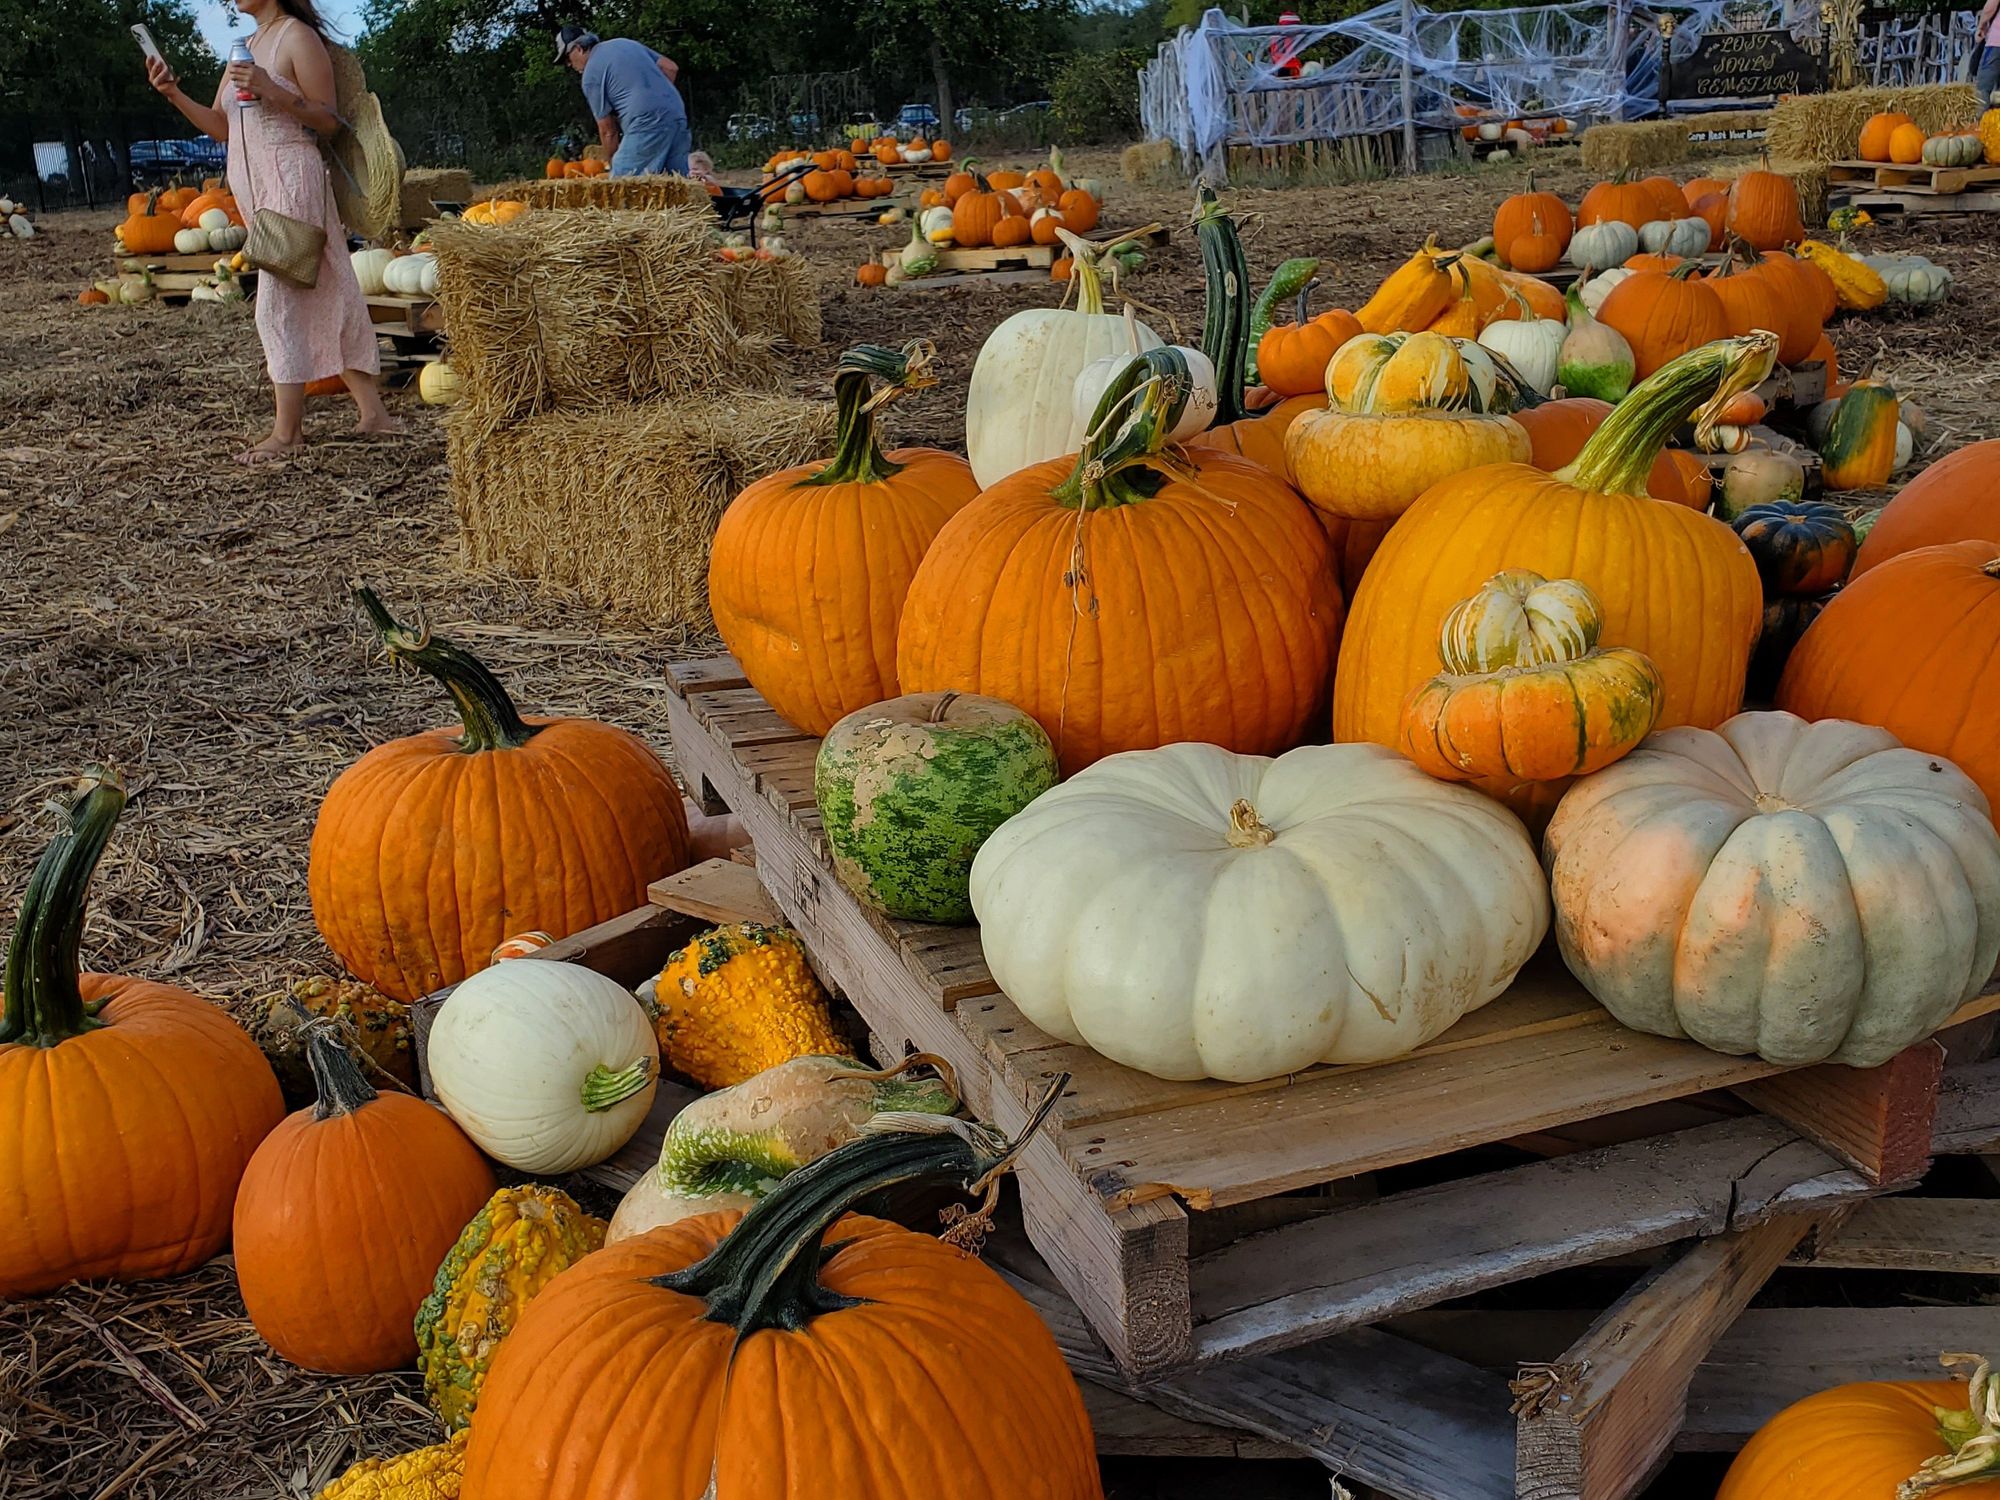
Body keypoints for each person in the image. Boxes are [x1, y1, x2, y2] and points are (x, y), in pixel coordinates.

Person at [147, 0, 391, 464]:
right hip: (256, 185)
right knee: (328, 288)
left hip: (291, 177)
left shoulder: (296, 36)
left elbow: (328, 120)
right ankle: (374, 413)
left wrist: (270, 88)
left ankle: (288, 432)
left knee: (277, 302)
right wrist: (173, 93)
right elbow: (222, 127)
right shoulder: (245, 45)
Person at [555, 25, 691, 177]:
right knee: (676, 184)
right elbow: (670, 68)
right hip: (677, 113)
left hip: (645, 122)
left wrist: (613, 166)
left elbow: (608, 132)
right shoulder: (625, 43)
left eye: (567, 58)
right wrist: (657, 99)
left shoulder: (590, 75)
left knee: (622, 185)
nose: (568, 64)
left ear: (579, 48)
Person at [1975, 0, 2000, 104]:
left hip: (1996, 44)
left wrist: (1981, 26)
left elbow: (1990, 7)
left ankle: (1983, 113)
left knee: (1983, 88)